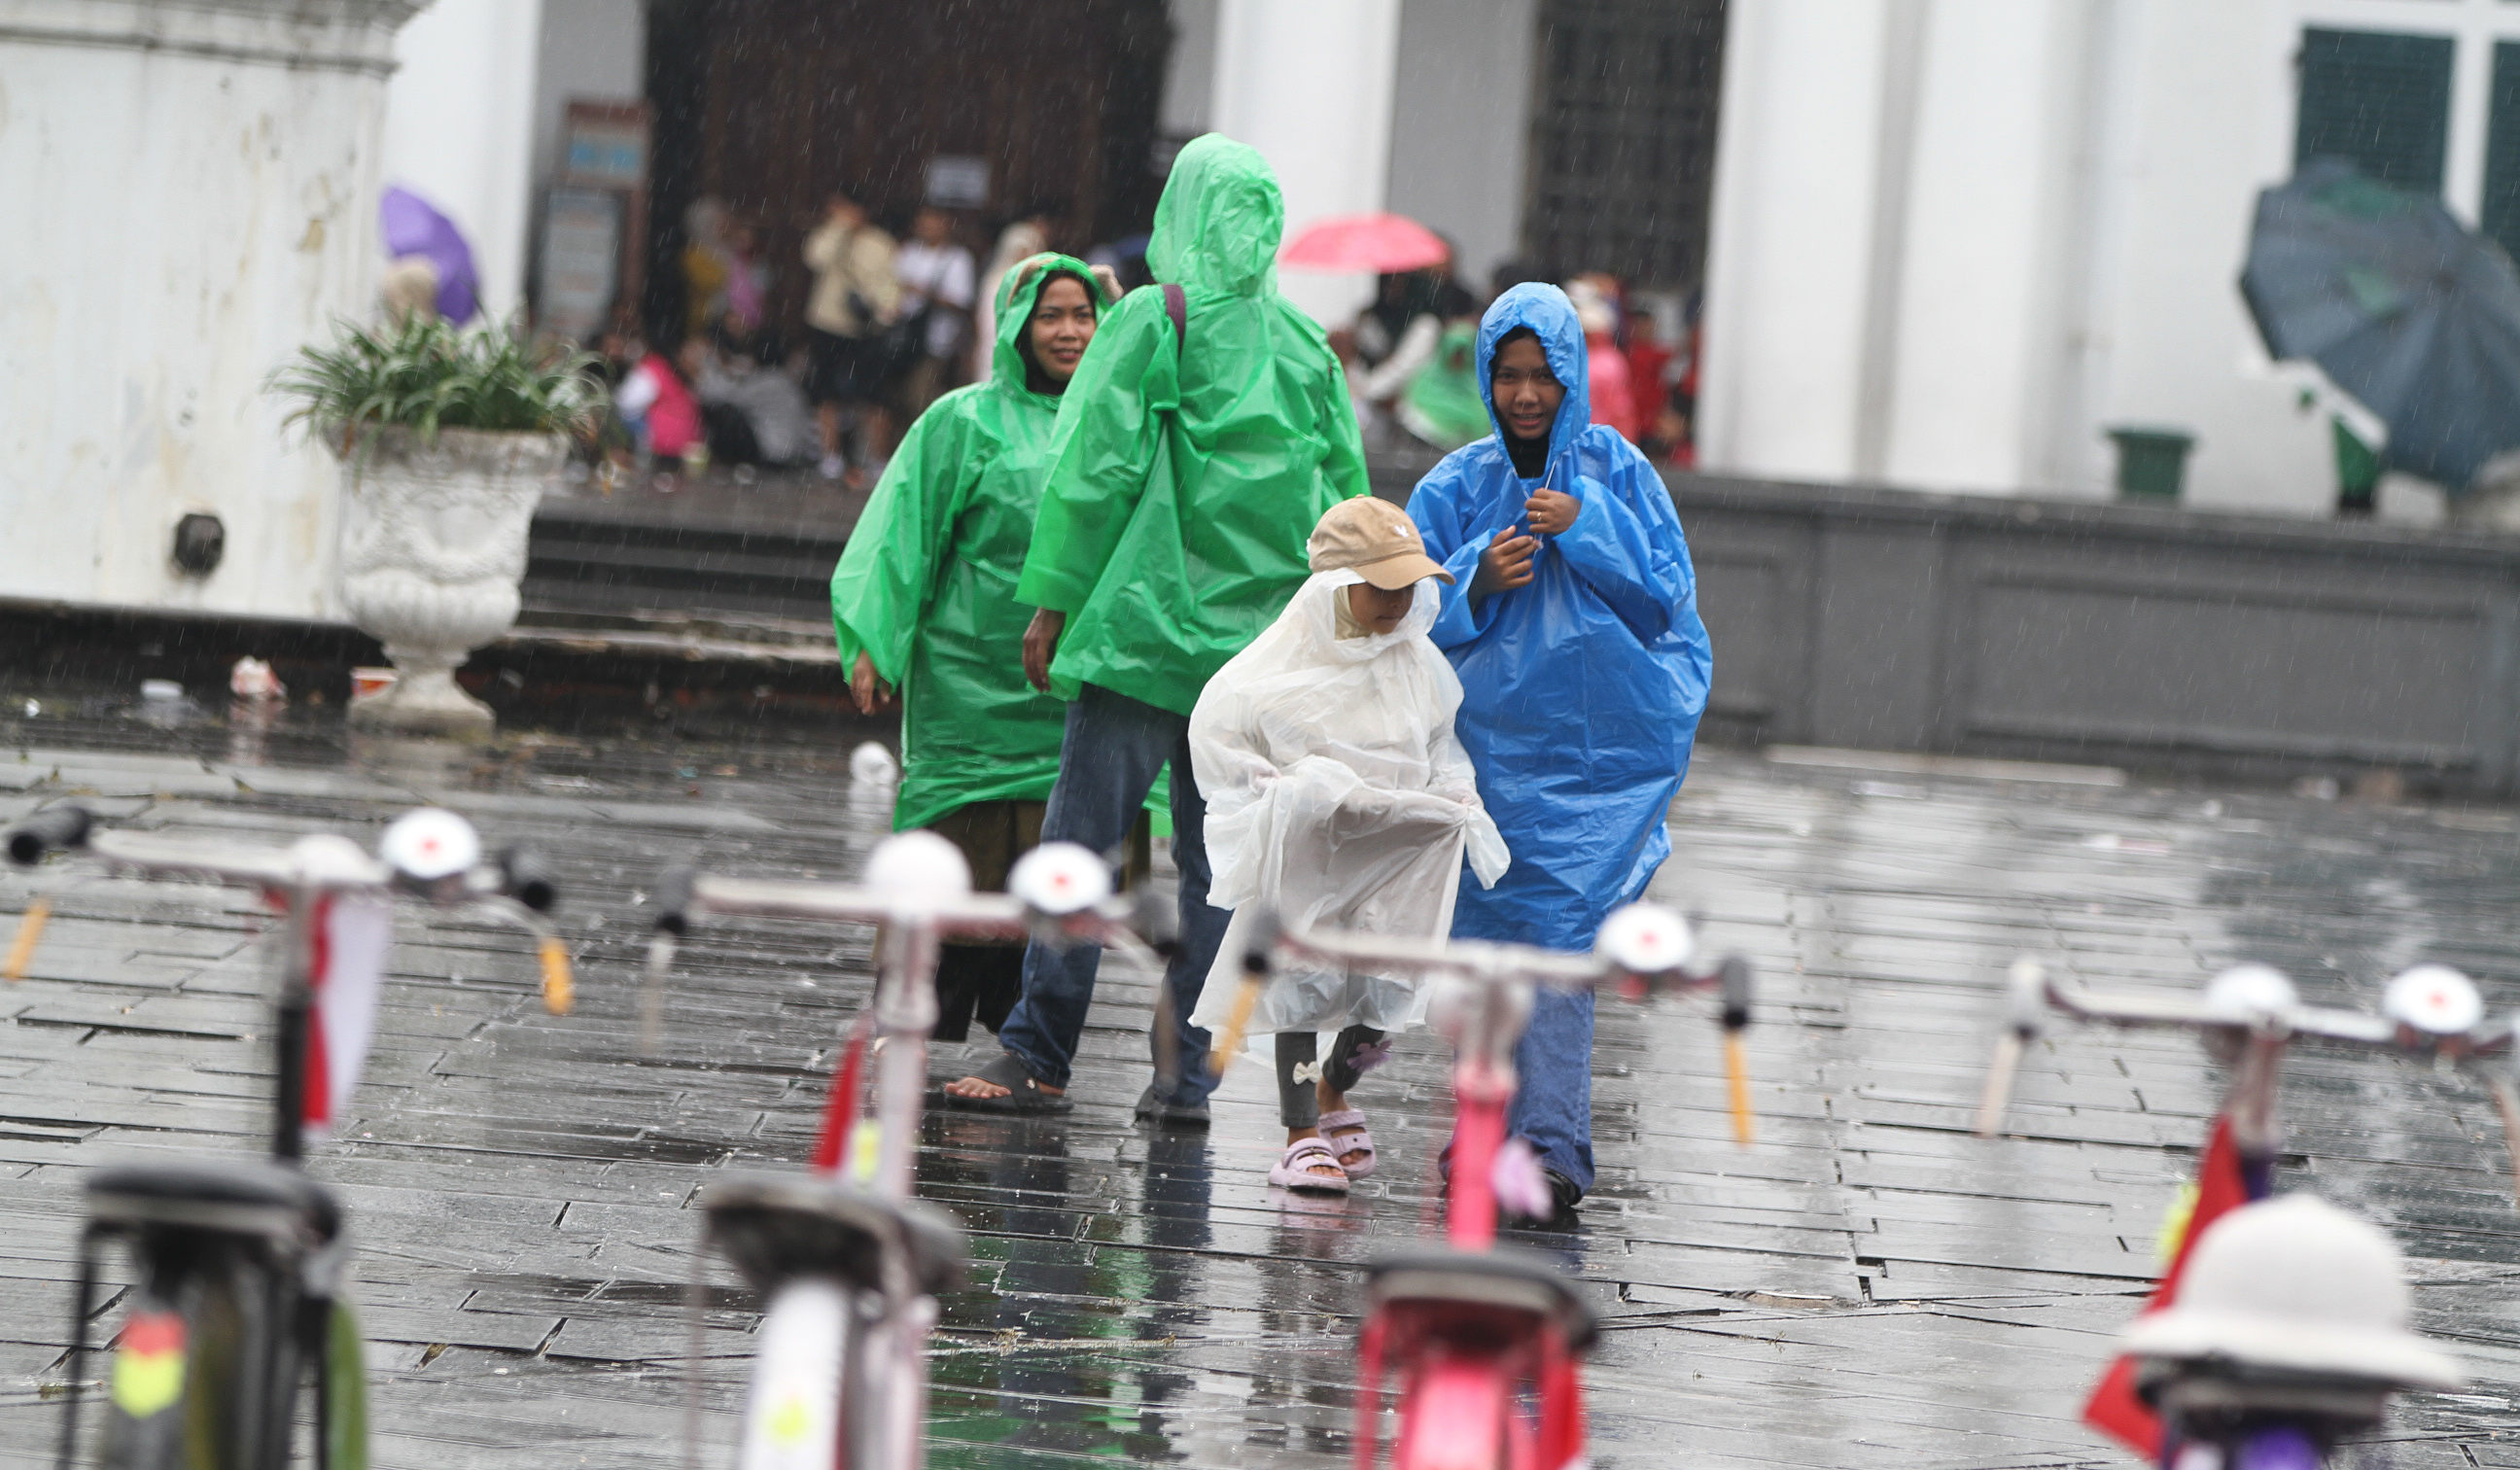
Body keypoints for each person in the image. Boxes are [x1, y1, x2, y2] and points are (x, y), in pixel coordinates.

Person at [943, 133, 1370, 1121]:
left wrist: (1052, 600)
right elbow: (1345, 499)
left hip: (1144, 637)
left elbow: (1096, 474)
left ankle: (1042, 1052)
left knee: (1079, 848)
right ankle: (1188, 1070)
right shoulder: (1306, 346)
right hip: (1255, 658)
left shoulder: (1153, 319)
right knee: (1218, 866)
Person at [1406, 281, 1712, 1218]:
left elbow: (1666, 599)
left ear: (1572, 375)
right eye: (1510, 376)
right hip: (1487, 757)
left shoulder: (1618, 474)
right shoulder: (1457, 487)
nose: (1528, 394)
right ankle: (1486, 1128)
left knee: (1563, 949)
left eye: (1544, 375)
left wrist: (1590, 530)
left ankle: (1549, 1148)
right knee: (1481, 947)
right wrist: (1473, 582)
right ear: (1485, 377)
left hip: (1596, 767)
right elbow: (1397, 607)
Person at [830, 255, 1120, 1041]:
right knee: (954, 845)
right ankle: (924, 1012)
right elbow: (901, 537)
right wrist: (874, 642)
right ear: (1016, 325)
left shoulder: (1120, 417)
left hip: (1073, 685)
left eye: (1083, 314)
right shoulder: (963, 421)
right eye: (1050, 314)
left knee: (1053, 853)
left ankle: (1023, 1033)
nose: (1067, 331)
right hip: (966, 683)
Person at [1186, 497, 1507, 1192]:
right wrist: (1267, 783)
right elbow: (1222, 734)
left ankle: (1337, 1090)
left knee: (1386, 987)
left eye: (1407, 588)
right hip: (1317, 847)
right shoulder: (1275, 665)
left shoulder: (1415, 664)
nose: (1398, 603)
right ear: (1335, 587)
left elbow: (1438, 740)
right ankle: (1300, 1129)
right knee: (1300, 983)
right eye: (1381, 588)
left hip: (1398, 852)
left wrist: (1457, 789)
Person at [802, 192, 900, 485]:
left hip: (867, 329)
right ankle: (830, 458)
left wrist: (883, 310)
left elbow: (890, 283)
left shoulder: (880, 242)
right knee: (825, 393)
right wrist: (839, 228)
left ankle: (877, 460)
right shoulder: (828, 236)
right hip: (827, 323)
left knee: (875, 395)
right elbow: (814, 258)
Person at [894, 206, 977, 422]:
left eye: (932, 223)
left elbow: (963, 303)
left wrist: (927, 294)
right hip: (902, 335)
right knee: (895, 396)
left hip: (936, 341)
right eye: (922, 223)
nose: (926, 228)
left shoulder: (958, 258)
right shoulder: (908, 251)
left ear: (946, 225)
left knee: (919, 398)